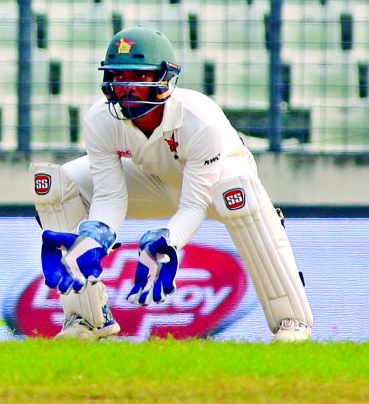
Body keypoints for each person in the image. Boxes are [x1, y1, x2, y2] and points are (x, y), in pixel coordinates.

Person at [31, 27, 313, 343]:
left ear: (163, 78)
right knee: (58, 183)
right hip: (153, 181)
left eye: (137, 77)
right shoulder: (100, 118)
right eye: (118, 77)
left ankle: (292, 321)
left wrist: (169, 239)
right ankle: (88, 319)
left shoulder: (200, 117)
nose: (126, 88)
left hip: (215, 185)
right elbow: (110, 196)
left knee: (239, 193)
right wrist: (94, 234)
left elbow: (194, 204)